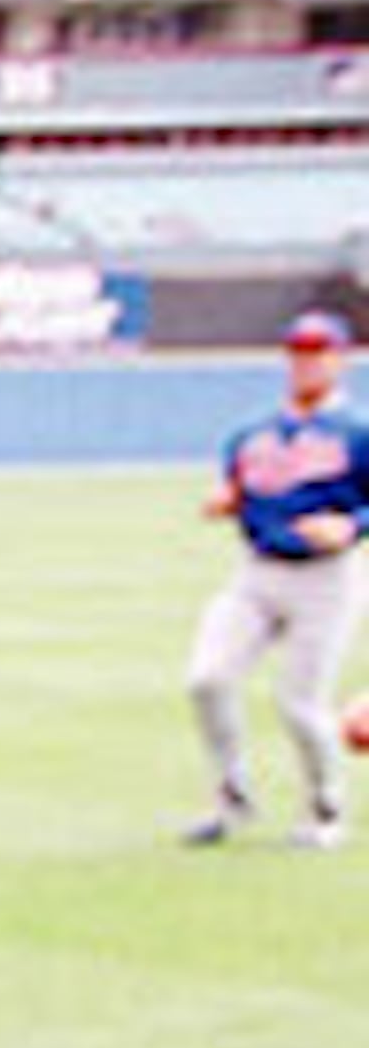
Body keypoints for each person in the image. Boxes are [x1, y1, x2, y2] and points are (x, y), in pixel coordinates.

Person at [182, 306, 369, 849]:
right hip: (257, 573)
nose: (307, 364)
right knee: (207, 679)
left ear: (341, 360)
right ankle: (231, 797)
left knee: (300, 702)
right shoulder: (254, 434)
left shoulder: (357, 433)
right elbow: (246, 491)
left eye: (319, 353)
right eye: (299, 353)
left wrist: (353, 524)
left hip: (325, 580)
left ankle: (325, 809)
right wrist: (230, 503)